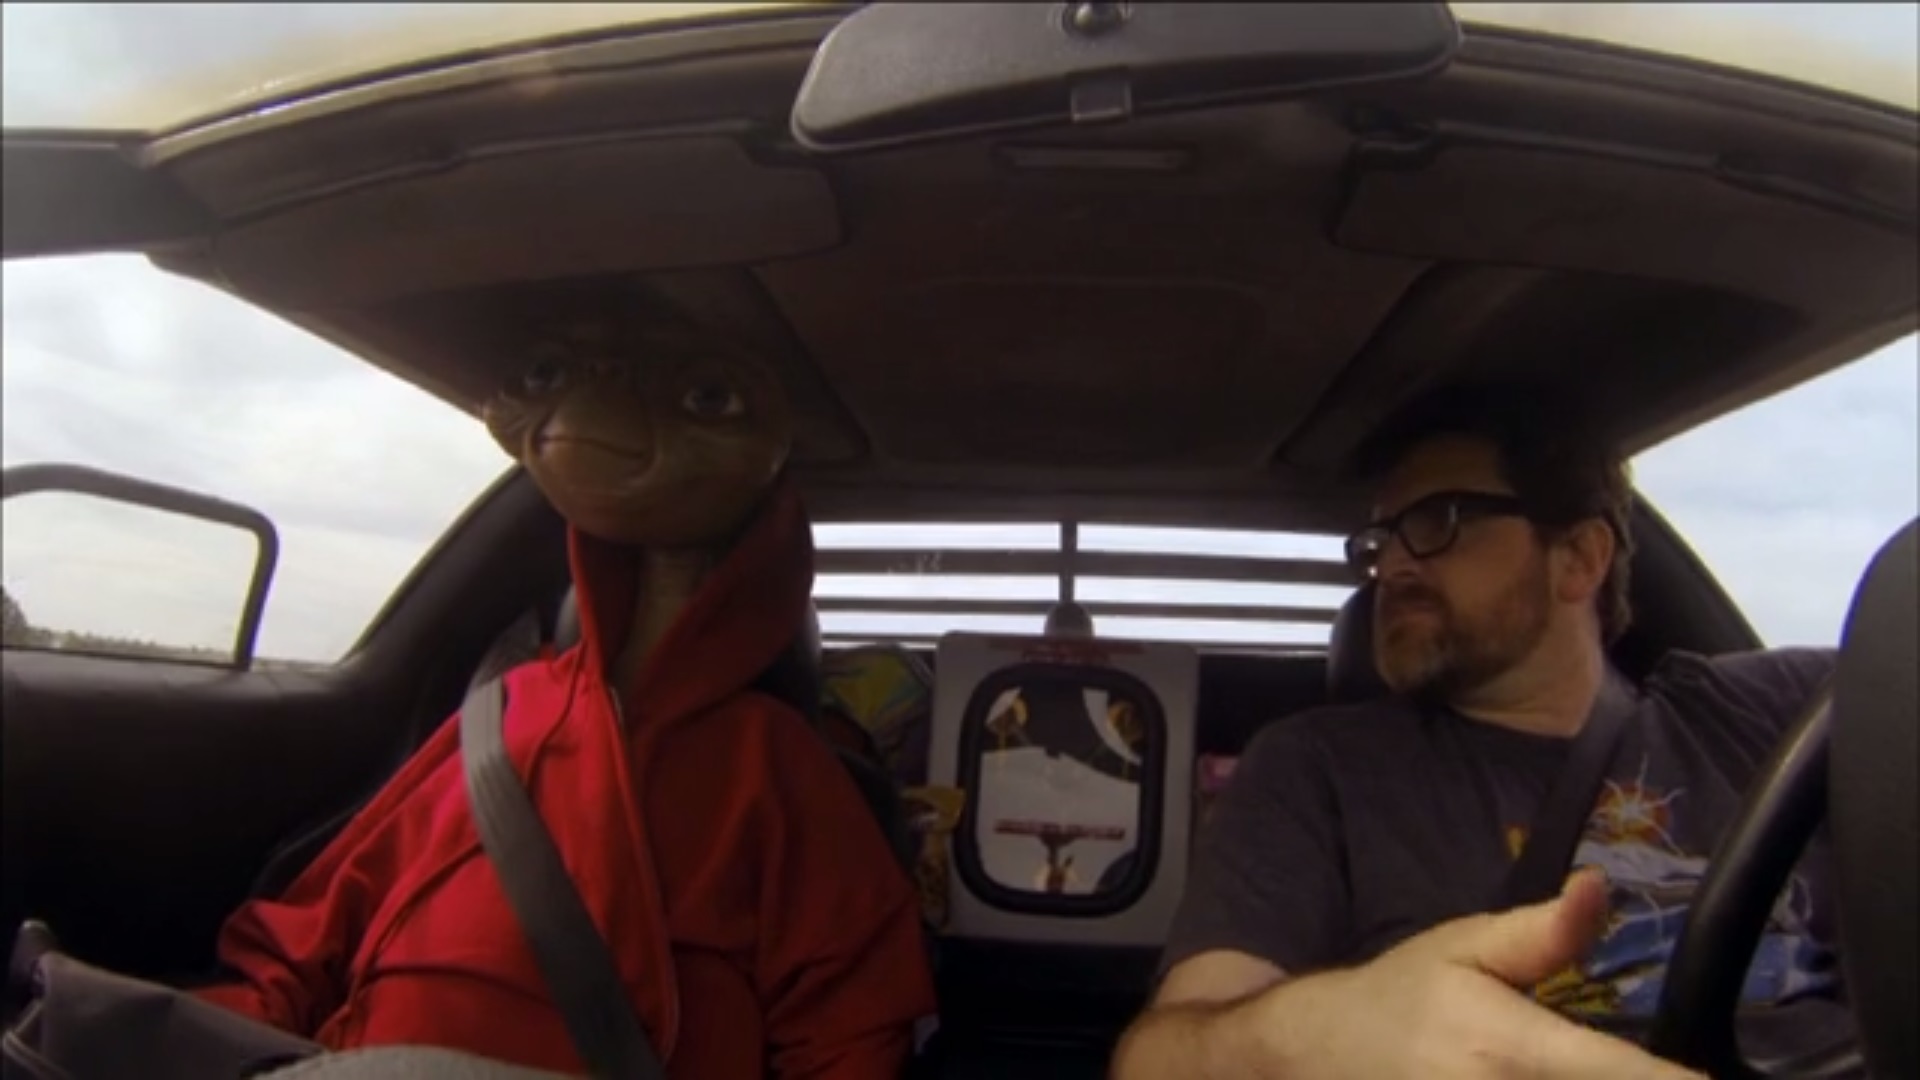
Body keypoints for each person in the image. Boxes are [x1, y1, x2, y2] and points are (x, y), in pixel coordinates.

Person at [196, 291, 937, 1078]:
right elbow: (312, 930)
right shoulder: (501, 710)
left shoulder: (777, 762)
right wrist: (211, 1044)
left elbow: (851, 1029)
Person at [1111, 383, 1852, 1079]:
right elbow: (1156, 1059)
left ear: (1579, 559)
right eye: (1381, 541)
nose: (1391, 566)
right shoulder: (1317, 768)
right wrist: (1319, 1035)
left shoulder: (1755, 709)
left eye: (1440, 523)